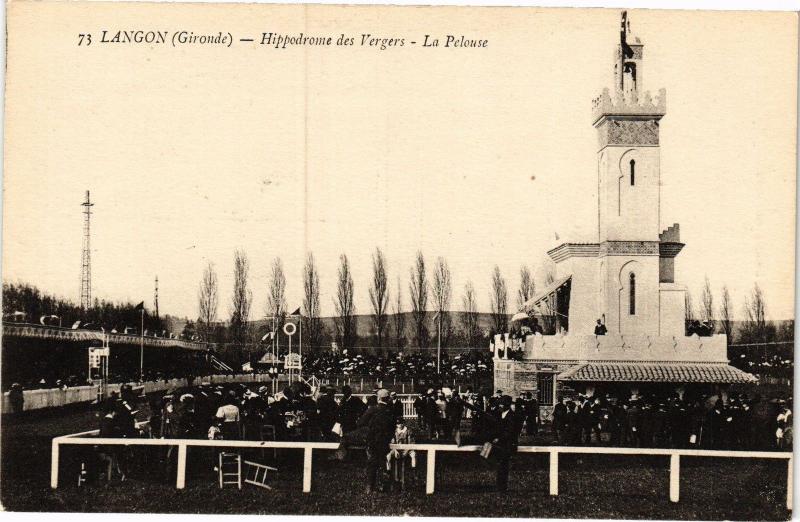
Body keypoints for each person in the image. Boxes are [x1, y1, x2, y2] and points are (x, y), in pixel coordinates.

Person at [365, 389, 396, 493]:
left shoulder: (372, 409)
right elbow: (392, 428)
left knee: (372, 463)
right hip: (384, 441)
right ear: (387, 399)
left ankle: (369, 487)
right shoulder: (390, 411)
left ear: (378, 398)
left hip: (372, 440)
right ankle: (384, 486)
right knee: (383, 463)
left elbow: (361, 422)